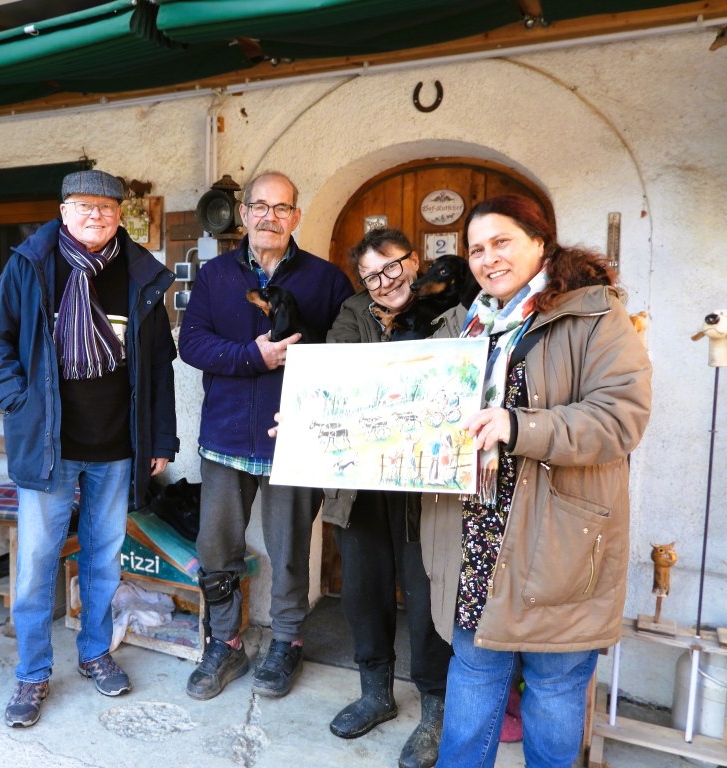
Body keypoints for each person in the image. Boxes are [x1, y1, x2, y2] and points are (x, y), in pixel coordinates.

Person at [420, 195, 652, 767]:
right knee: (473, 670)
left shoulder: (594, 315)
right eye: (476, 248)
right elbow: (417, 412)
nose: (487, 258)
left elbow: (620, 419)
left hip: (559, 536)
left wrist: (517, 424)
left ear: (540, 243)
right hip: (475, 530)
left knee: (554, 683)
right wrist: (325, 430)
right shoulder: (462, 324)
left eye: (502, 242)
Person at [0, 169, 179, 728]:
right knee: (38, 562)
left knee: (102, 558)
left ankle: (94, 653)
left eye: (108, 208)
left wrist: (161, 438)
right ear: (63, 211)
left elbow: (159, 365)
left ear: (120, 216)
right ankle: (33, 672)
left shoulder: (139, 275)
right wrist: (17, 397)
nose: (97, 215)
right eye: (85, 206)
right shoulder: (31, 265)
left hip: (117, 445)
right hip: (49, 446)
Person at [178, 171, 354, 700]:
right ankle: (226, 643)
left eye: (281, 208)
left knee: (290, 548)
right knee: (217, 547)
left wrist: (306, 362)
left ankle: (286, 641)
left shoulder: (326, 280)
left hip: (295, 442)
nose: (269, 217)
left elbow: (347, 356)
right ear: (245, 214)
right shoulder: (213, 277)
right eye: (260, 206)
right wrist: (254, 357)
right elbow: (193, 345)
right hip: (225, 437)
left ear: (295, 217)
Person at [321, 228, 452, 768]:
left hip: (427, 485)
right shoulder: (353, 313)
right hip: (362, 483)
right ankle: (375, 692)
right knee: (362, 587)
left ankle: (435, 711)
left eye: (393, 268)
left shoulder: (451, 308)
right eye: (372, 275)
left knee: (426, 598)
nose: (385, 283)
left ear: (413, 261)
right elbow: (335, 373)